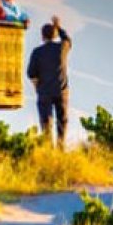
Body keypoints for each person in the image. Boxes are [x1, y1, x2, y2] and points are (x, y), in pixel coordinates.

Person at [26, 15, 72, 148]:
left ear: (42, 36)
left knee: (46, 121)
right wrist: (59, 27)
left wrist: (37, 87)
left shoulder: (37, 52)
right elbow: (67, 39)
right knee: (62, 120)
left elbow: (31, 73)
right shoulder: (61, 48)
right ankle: (61, 146)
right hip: (61, 90)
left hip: (44, 91)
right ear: (55, 35)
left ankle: (48, 147)